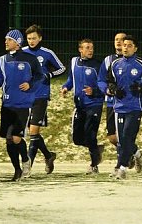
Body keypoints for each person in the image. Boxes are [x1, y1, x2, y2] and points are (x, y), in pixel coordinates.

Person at [0, 29, 43, 181]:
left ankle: (25, 160)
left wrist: (30, 84)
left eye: (9, 39)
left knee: (15, 137)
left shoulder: (30, 59)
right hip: (7, 104)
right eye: (6, 39)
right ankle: (17, 169)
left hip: (23, 104)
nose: (6, 42)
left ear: (17, 42)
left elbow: (40, 76)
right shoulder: (2, 60)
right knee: (8, 138)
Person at [105, 35, 142, 179]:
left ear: (135, 48)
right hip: (119, 106)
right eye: (124, 45)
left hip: (135, 106)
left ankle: (121, 168)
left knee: (128, 135)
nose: (125, 48)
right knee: (122, 140)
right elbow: (109, 81)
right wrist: (114, 90)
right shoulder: (115, 64)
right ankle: (137, 154)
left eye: (129, 45)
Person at [23, 24, 67, 174]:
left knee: (34, 131)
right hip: (24, 97)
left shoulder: (47, 53)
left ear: (40, 38)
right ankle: (48, 156)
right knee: (31, 133)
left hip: (40, 95)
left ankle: (27, 166)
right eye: (29, 38)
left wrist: (49, 75)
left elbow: (61, 68)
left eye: (34, 38)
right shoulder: (22, 53)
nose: (31, 41)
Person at [61, 38, 105, 174]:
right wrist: (65, 87)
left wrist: (94, 91)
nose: (90, 50)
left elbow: (104, 85)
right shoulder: (74, 61)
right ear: (80, 49)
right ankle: (95, 149)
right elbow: (71, 79)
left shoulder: (98, 65)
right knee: (77, 139)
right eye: (87, 47)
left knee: (90, 134)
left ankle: (93, 165)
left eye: (91, 47)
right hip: (79, 105)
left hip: (94, 104)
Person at [97, 32, 127, 168]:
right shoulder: (108, 60)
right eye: (116, 39)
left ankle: (120, 163)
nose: (119, 42)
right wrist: (107, 90)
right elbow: (101, 80)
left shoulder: (132, 61)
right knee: (112, 137)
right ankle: (135, 152)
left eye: (122, 40)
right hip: (111, 102)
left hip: (126, 103)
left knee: (123, 135)